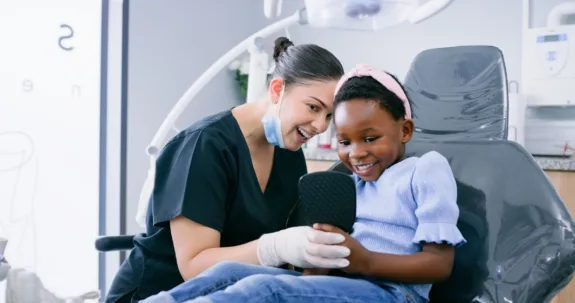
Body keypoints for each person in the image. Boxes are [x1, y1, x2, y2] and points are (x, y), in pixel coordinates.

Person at [140, 64, 467, 303]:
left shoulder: (424, 169)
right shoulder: (353, 184)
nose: (356, 154)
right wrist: (312, 272)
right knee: (226, 274)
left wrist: (365, 262)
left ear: (405, 131)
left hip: (396, 294)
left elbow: (439, 265)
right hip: (350, 286)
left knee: (262, 291)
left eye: (370, 138)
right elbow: (332, 263)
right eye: (344, 141)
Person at [104, 37, 351, 303]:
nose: (320, 126)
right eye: (313, 107)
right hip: (157, 293)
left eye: (328, 116)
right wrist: (276, 247)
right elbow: (194, 267)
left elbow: (284, 261)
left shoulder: (288, 155)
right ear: (278, 90)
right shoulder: (206, 145)